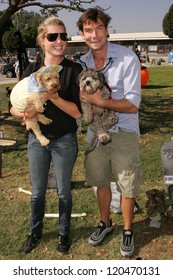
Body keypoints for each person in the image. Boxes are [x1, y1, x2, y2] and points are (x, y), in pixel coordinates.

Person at [10, 16, 82, 254]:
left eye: (63, 36)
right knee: (37, 192)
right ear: (42, 40)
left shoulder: (74, 70)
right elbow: (13, 105)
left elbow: (77, 112)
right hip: (37, 141)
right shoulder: (31, 71)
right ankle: (35, 232)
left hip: (64, 140)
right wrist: (23, 111)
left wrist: (53, 96)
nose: (59, 40)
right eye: (53, 36)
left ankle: (63, 234)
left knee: (64, 191)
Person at [77, 7, 143, 257]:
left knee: (127, 183)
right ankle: (105, 222)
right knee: (100, 180)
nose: (94, 34)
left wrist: (103, 103)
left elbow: (132, 103)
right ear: (83, 34)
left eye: (99, 28)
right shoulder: (81, 63)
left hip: (124, 128)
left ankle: (127, 230)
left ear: (107, 30)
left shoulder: (127, 58)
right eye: (88, 30)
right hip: (96, 132)